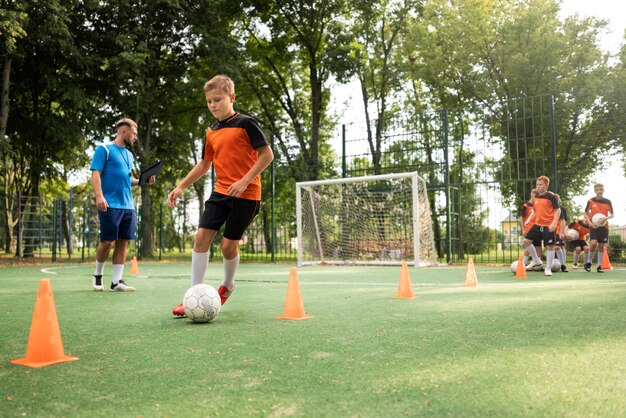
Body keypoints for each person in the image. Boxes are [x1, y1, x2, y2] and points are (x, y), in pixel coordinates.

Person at [167, 75, 274, 316]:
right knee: (201, 237)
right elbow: (205, 164)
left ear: (231, 98)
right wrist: (181, 186)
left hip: (247, 194)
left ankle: (227, 285)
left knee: (227, 247)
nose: (213, 105)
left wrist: (244, 181)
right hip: (220, 192)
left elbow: (267, 155)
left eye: (218, 99)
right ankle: (193, 294)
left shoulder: (246, 123)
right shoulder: (211, 132)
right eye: (209, 101)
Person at [90, 118, 155, 292]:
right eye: (133, 134)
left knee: (123, 242)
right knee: (107, 241)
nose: (135, 138)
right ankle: (97, 275)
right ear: (123, 132)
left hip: (128, 206)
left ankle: (116, 282)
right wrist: (99, 196)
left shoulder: (129, 155)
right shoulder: (104, 149)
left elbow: (126, 179)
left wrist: (142, 181)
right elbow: (95, 173)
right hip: (109, 203)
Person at [524, 176, 561, 276]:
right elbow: (535, 211)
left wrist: (554, 223)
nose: (538, 186)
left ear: (546, 185)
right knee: (526, 241)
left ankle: (548, 269)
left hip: (548, 225)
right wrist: (528, 219)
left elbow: (558, 210)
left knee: (550, 246)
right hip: (537, 224)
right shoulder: (535, 197)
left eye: (540, 185)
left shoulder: (551, 197)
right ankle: (536, 260)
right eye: (537, 184)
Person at [583, 183, 614, 273]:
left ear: (603, 190)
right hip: (594, 225)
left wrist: (605, 218)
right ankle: (588, 262)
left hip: (604, 226)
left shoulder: (608, 201)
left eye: (601, 189)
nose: (599, 191)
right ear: (594, 191)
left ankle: (599, 266)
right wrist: (589, 223)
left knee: (601, 245)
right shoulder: (591, 201)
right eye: (597, 190)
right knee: (593, 243)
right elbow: (585, 213)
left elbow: (612, 214)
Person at [519, 189, 542, 266]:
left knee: (538, 245)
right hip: (528, 228)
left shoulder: (539, 205)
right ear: (531, 196)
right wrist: (523, 229)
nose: (534, 198)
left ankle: (538, 263)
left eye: (536, 196)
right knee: (528, 244)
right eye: (533, 196)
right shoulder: (526, 206)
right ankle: (524, 263)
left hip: (538, 227)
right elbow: (521, 218)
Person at [553, 194, 569, 272]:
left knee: (559, 247)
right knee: (556, 247)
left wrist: (562, 232)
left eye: (557, 199)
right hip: (551, 230)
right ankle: (560, 264)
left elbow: (563, 220)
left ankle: (563, 265)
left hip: (559, 230)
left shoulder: (561, 209)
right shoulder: (549, 208)